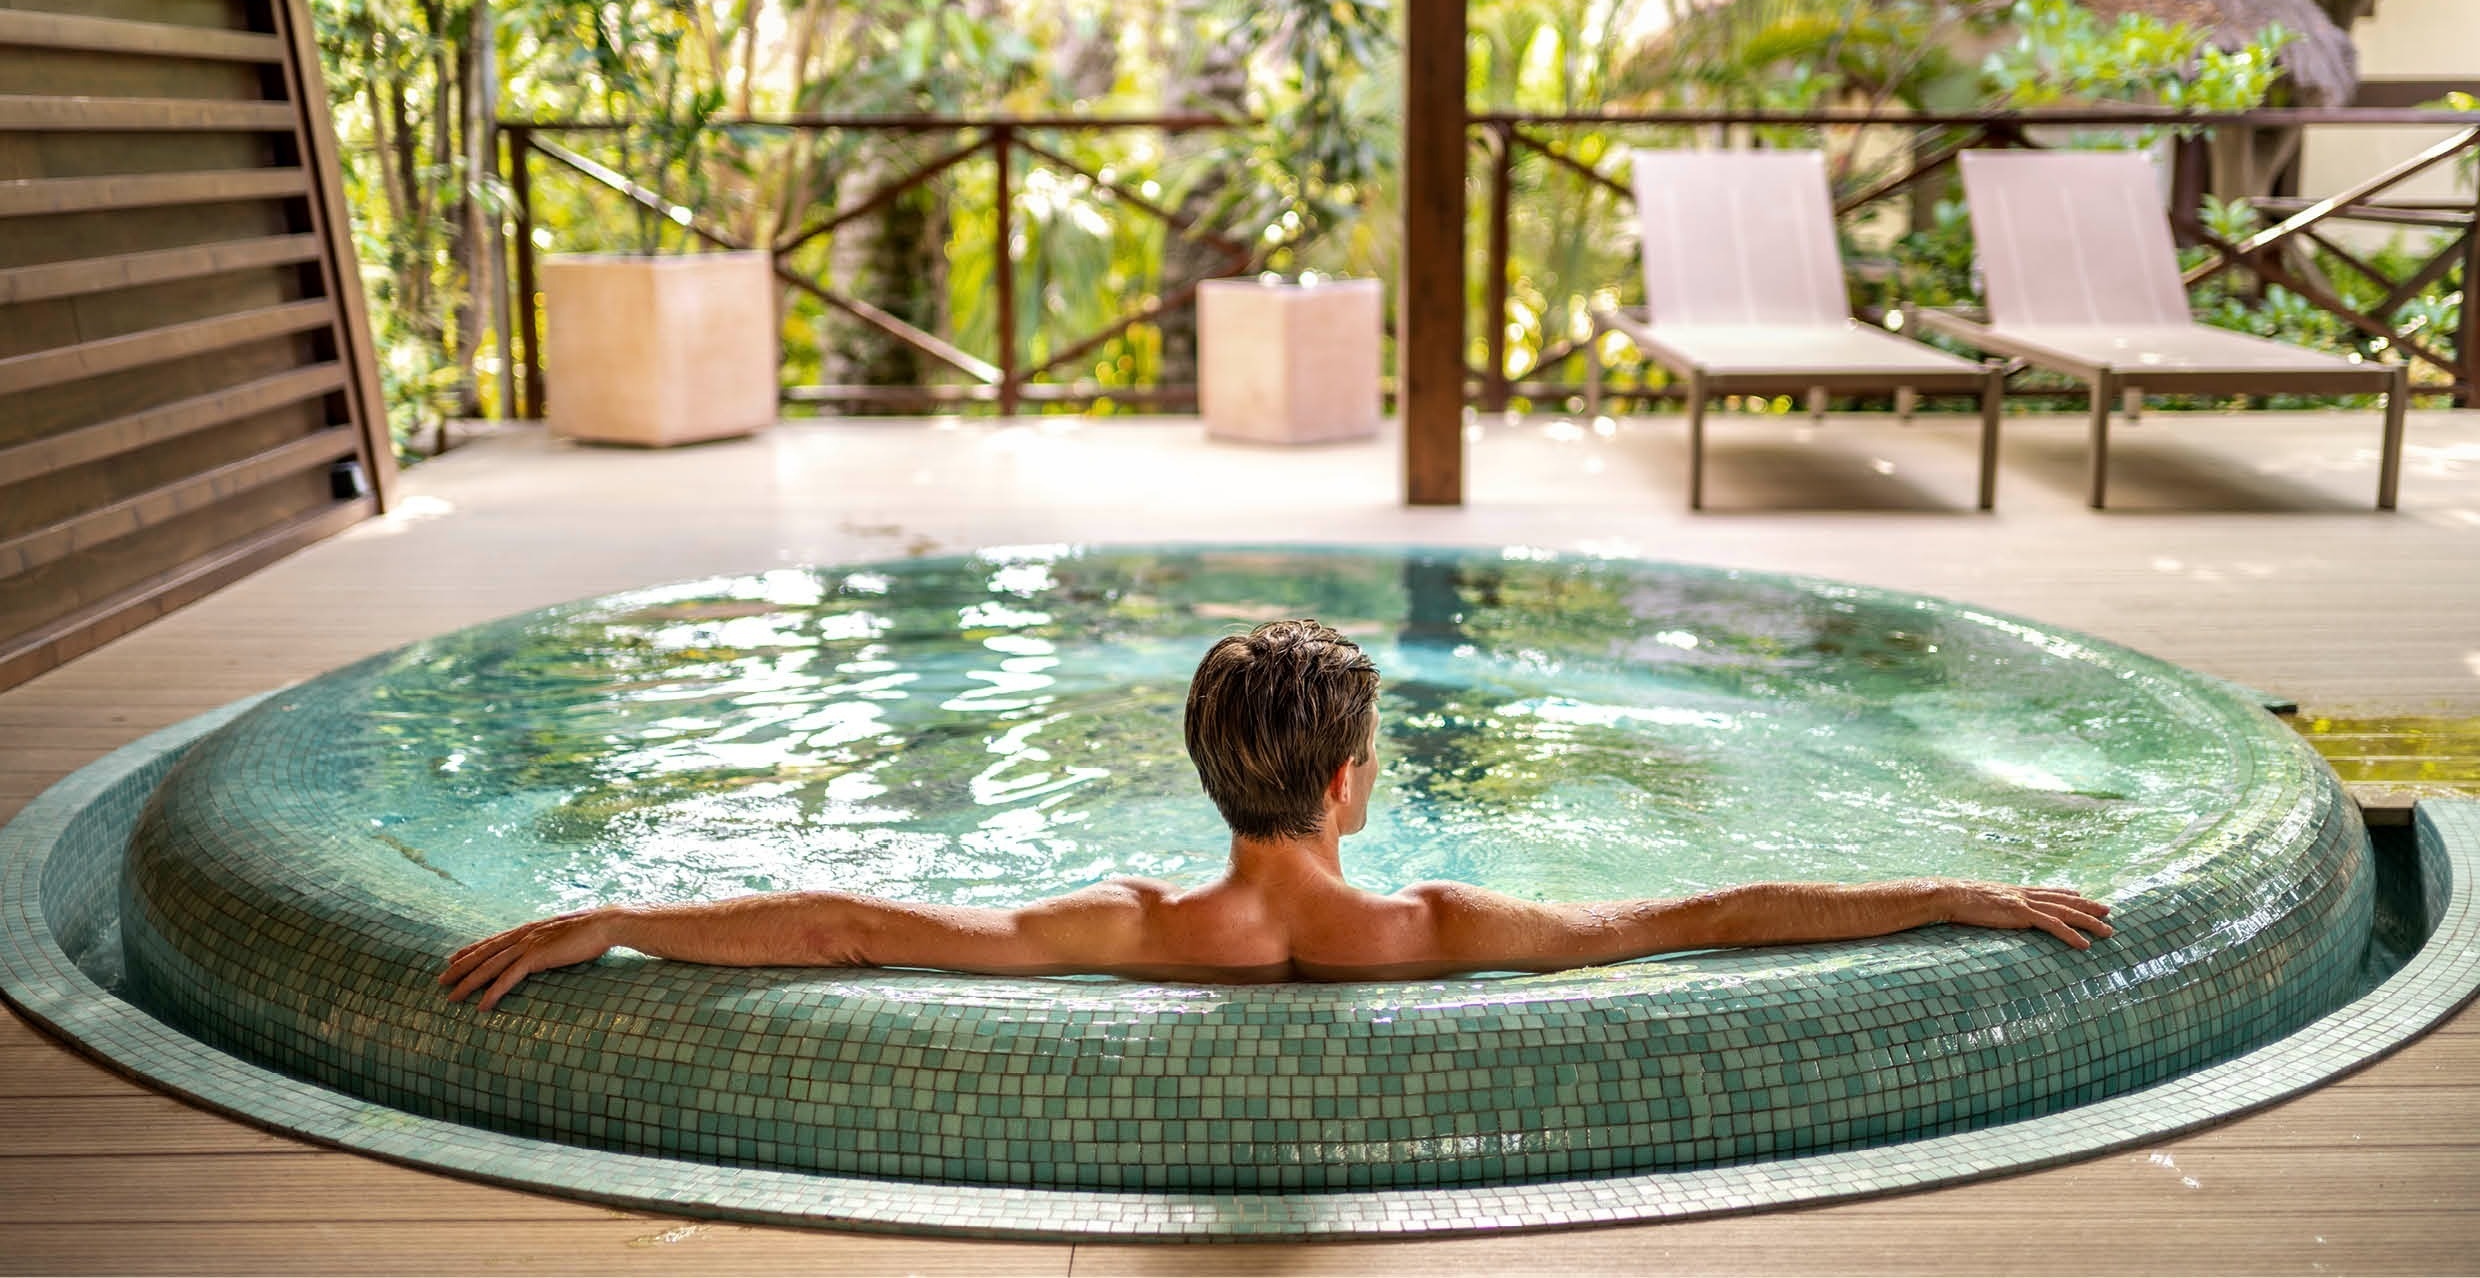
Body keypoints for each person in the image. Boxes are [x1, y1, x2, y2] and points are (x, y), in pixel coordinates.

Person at [440, 618, 2113, 1011]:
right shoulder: (1442, 929)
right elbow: (1707, 912)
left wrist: (622, 914)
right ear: (1346, 783)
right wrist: (1943, 888)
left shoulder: (1133, 928)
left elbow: (850, 923)